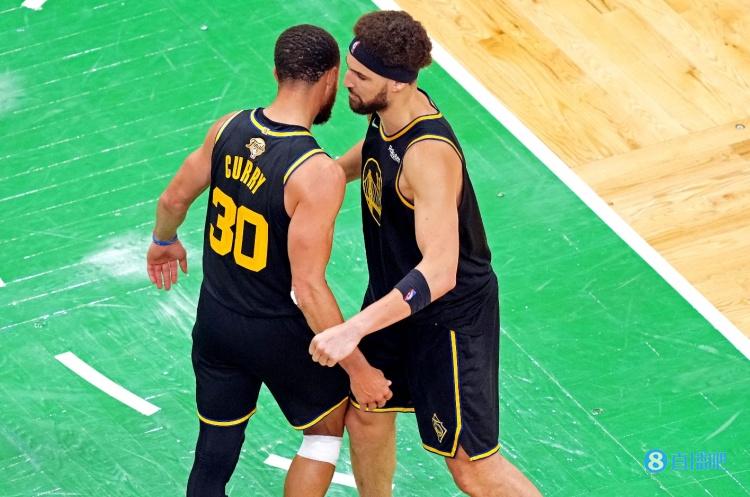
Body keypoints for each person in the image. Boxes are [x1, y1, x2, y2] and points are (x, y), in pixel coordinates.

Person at [146, 24, 392, 497]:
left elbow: (173, 199)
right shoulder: (315, 172)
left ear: (276, 73)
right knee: (323, 434)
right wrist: (358, 369)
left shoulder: (228, 127)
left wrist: (163, 241)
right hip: (277, 332)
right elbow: (308, 288)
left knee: (215, 448)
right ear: (331, 78)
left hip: (216, 321)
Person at [309, 11, 543, 497]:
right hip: (396, 300)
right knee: (367, 413)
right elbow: (366, 156)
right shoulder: (387, 111)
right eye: (350, 70)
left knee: (472, 468)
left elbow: (439, 272)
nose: (347, 82)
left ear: (396, 83)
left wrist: (351, 329)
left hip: (448, 319)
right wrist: (303, 182)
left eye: (361, 77)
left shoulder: (428, 155)